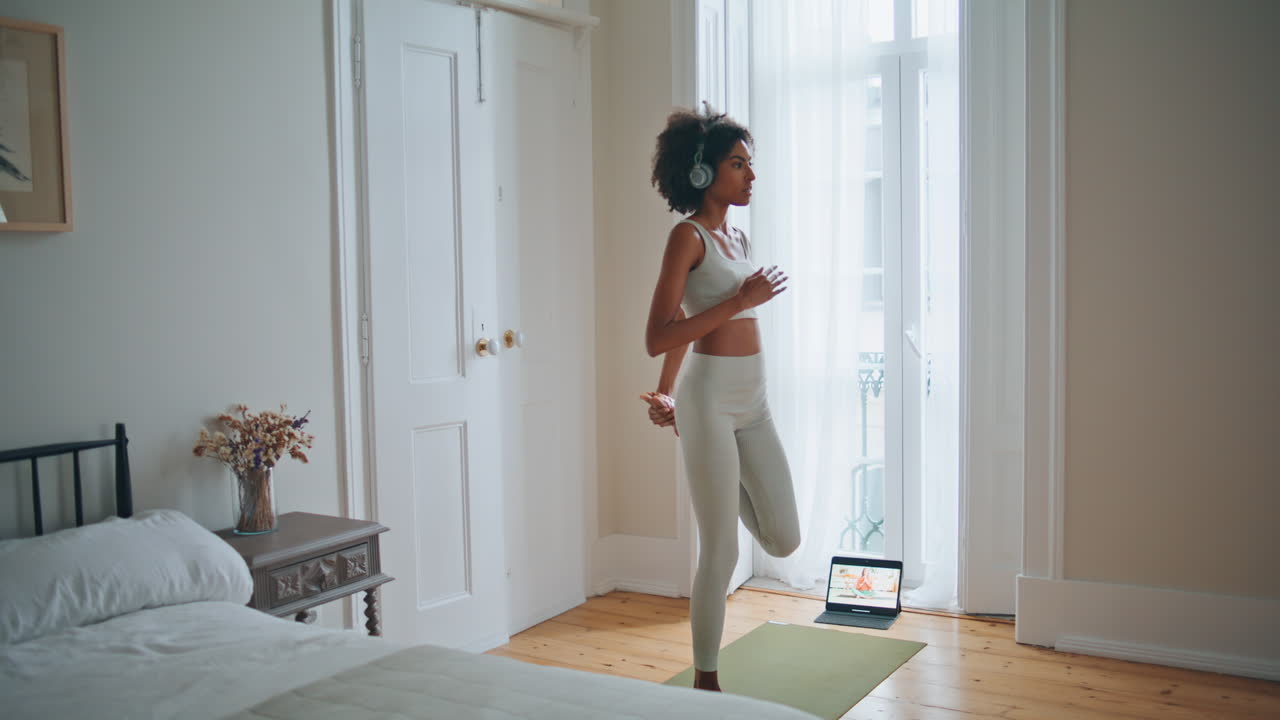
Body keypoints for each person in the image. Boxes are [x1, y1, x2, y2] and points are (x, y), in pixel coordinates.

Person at [640, 105, 801, 692]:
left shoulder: (738, 234)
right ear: (703, 174)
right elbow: (661, 331)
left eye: (750, 164)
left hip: (752, 402)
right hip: (709, 402)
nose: (750, 176)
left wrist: (663, 391)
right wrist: (672, 392)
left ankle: (720, 474)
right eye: (738, 165)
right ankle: (705, 680)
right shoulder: (686, 237)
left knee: (785, 538)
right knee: (722, 550)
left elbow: (695, 322)